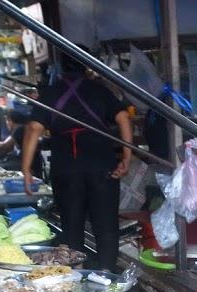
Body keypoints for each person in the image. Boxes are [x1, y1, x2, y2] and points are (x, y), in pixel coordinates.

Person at [22, 55, 133, 273]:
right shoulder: (100, 90)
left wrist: (26, 169)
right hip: (102, 164)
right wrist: (127, 156)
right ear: (88, 67)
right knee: (106, 224)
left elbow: (34, 128)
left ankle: (75, 276)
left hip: (66, 167)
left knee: (72, 225)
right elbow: (123, 118)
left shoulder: (50, 93)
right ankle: (106, 275)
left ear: (59, 68)